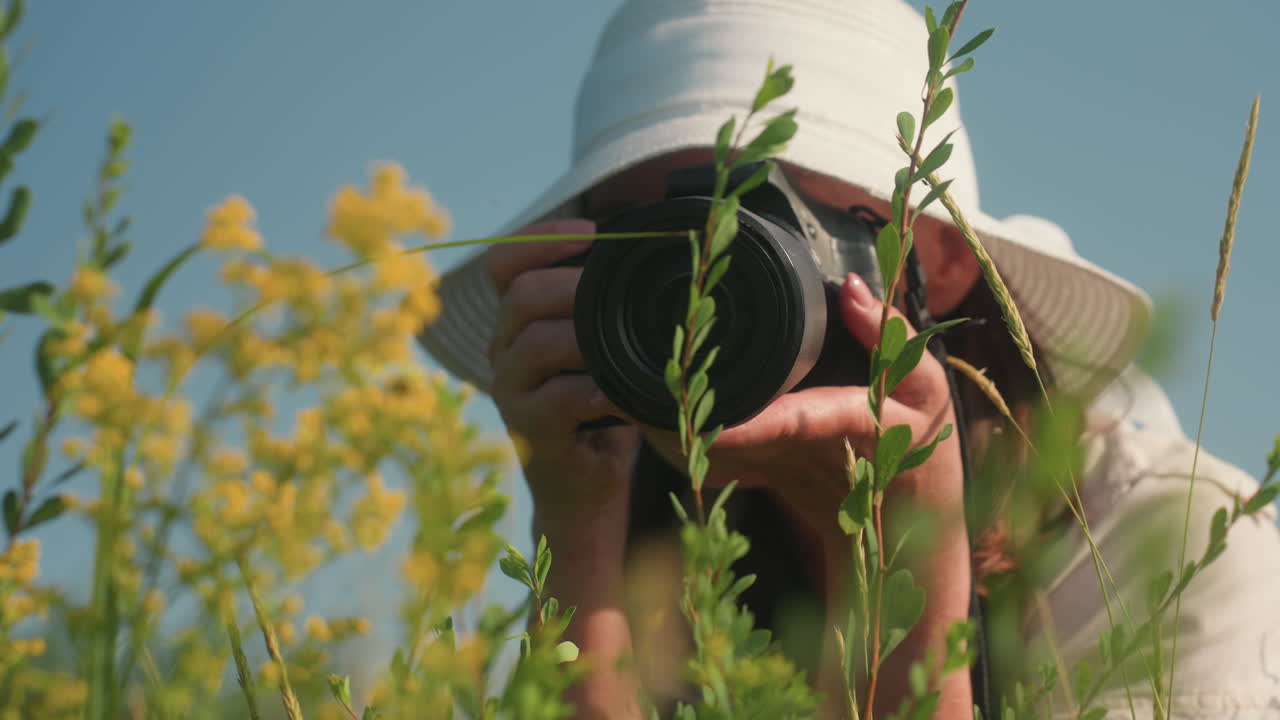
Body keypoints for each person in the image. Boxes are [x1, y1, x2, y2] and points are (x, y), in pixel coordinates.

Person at [418, 1, 1280, 718]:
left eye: (768, 217)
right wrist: (573, 530)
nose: (705, 277)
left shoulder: (1172, 557)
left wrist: (902, 553)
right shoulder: (663, 552)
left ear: (938, 260)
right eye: (655, 234)